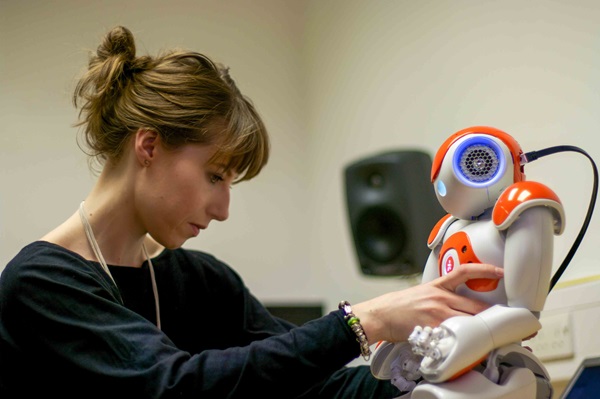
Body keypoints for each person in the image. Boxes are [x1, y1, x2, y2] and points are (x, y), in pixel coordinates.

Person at [0, 26, 504, 399]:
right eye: (214, 176)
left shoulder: (202, 281)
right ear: (149, 146)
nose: (221, 210)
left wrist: (440, 373)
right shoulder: (42, 284)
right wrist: (365, 321)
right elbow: (174, 389)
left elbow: (320, 389)